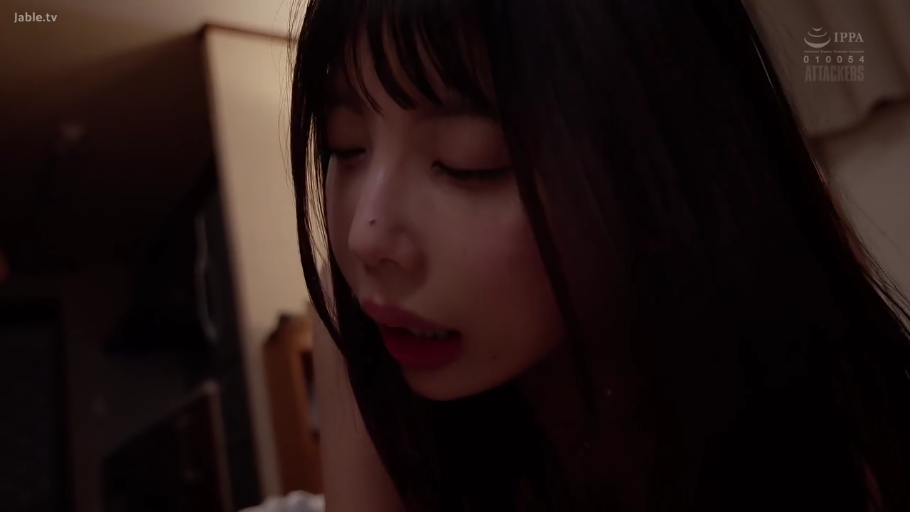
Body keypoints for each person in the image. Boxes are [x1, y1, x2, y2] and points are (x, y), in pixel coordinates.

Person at [288, 0, 910, 510]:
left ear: (660, 161)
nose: (365, 236)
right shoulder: (357, 319)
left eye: (466, 162)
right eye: (347, 147)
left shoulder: (786, 309)